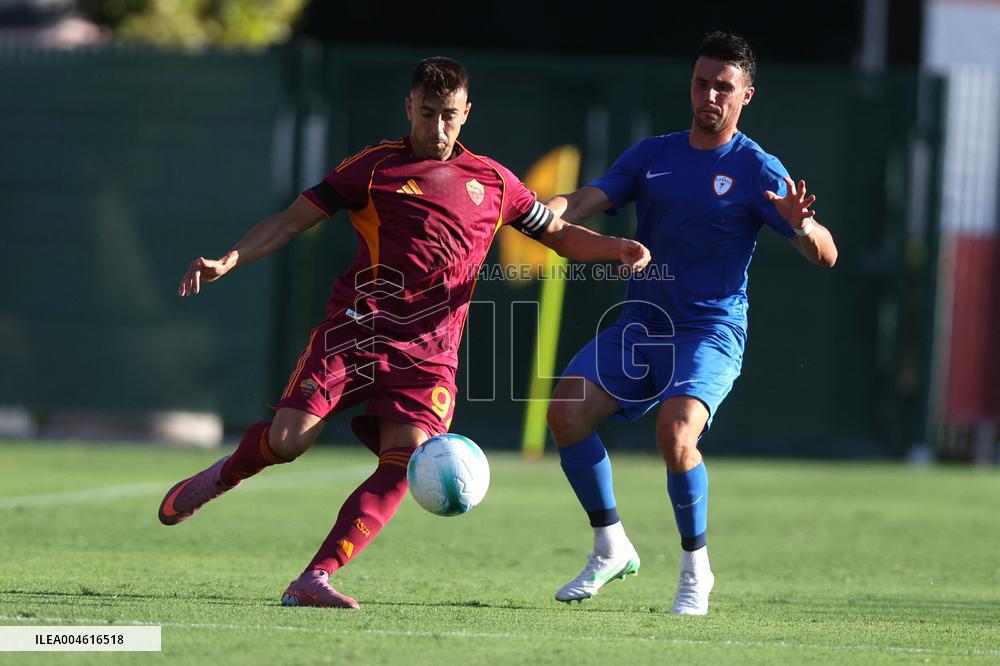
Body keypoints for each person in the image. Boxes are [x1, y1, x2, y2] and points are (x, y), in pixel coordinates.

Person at [157, 56, 651, 609]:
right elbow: (290, 219)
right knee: (288, 441)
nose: (437, 130)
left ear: (467, 113)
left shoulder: (494, 182)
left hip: (430, 357)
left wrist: (617, 248)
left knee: (408, 459)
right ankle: (228, 472)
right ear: (409, 107)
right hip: (356, 332)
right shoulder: (371, 169)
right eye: (427, 114)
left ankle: (314, 578)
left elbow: (557, 234)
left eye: (449, 117)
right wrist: (231, 258)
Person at [544, 32, 838, 615]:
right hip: (641, 325)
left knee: (676, 437)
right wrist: (533, 213)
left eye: (723, 87)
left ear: (746, 95)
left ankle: (695, 569)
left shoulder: (758, 168)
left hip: (709, 331)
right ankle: (610, 545)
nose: (710, 95)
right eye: (702, 83)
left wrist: (802, 227)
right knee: (566, 412)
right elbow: (583, 202)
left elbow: (827, 254)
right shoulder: (654, 155)